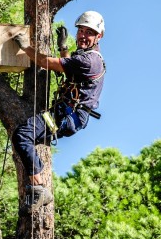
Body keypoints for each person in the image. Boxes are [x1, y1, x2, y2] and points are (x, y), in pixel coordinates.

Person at [12, 11, 106, 214]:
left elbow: (48, 63)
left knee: (23, 135)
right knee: (26, 136)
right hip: (65, 114)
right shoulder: (83, 57)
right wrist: (63, 47)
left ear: (99, 37)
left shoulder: (90, 61)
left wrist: (25, 47)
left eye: (89, 32)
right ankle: (38, 183)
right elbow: (68, 69)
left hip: (66, 117)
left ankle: (39, 188)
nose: (83, 35)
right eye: (81, 30)